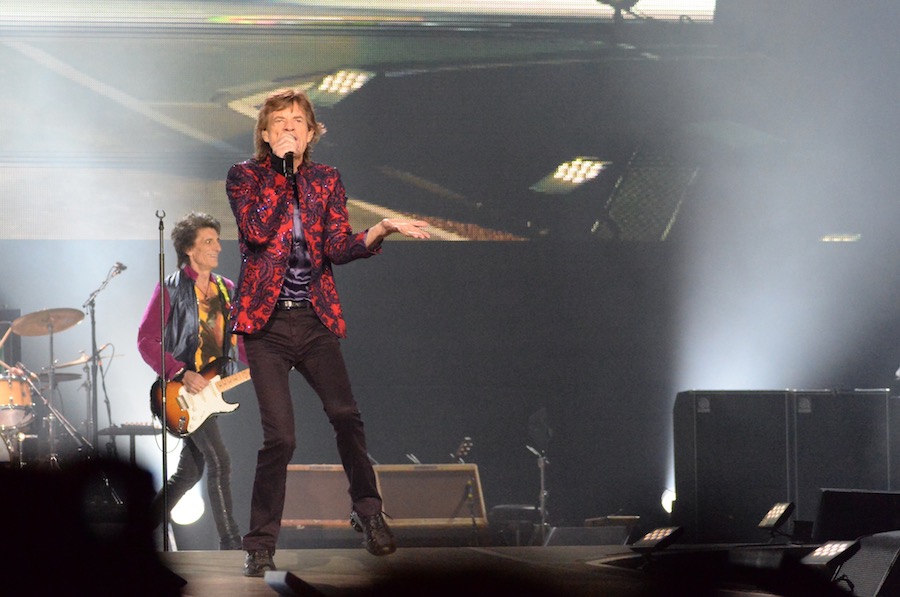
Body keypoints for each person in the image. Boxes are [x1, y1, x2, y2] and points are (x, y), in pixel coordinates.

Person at [227, 88, 430, 576]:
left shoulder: (327, 180)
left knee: (345, 415)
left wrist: (380, 229)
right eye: (279, 121)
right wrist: (282, 175)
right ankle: (260, 543)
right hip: (266, 325)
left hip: (314, 318)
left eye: (298, 120)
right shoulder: (245, 176)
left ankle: (369, 512)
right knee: (281, 438)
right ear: (265, 133)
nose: (289, 127)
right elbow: (256, 232)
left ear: (311, 132)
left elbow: (337, 246)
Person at [137, 212, 243, 550]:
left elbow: (241, 341)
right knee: (220, 461)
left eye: (217, 240)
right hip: (180, 392)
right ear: (188, 249)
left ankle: (136, 531)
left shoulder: (227, 290)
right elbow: (146, 340)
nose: (218, 247)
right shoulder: (170, 287)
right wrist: (181, 372)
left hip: (211, 394)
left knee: (188, 474)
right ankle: (231, 543)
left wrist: (270, 361)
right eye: (208, 241)